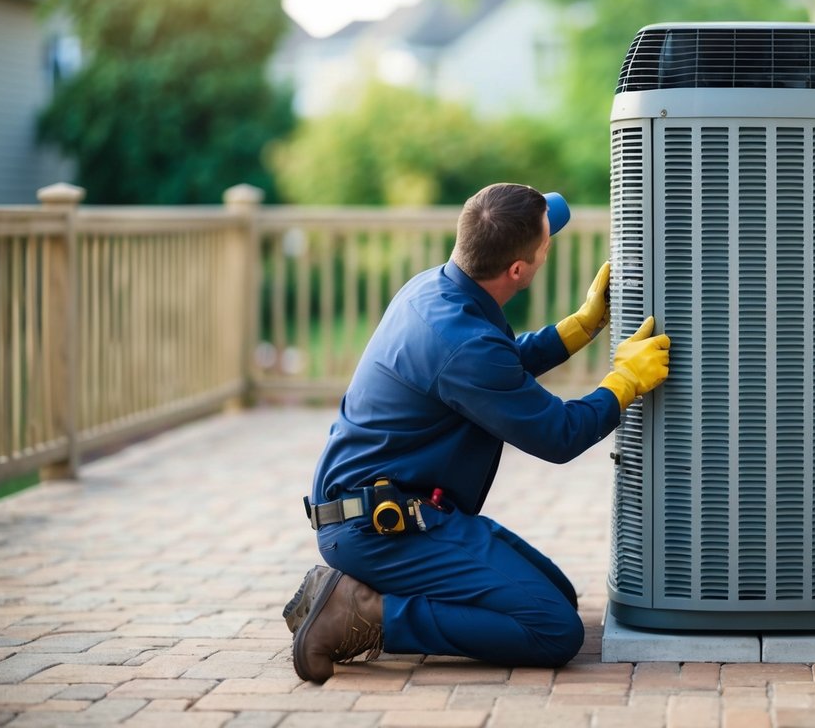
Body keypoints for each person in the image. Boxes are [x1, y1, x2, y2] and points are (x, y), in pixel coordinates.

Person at [281, 183, 671, 683]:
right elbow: (558, 434)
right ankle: (362, 613)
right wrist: (625, 382)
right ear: (517, 270)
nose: (550, 241)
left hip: (395, 511)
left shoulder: (437, 290)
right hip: (382, 529)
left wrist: (579, 326)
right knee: (553, 629)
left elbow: (495, 369)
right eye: (547, 241)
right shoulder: (463, 344)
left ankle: (350, 592)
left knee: (557, 593)